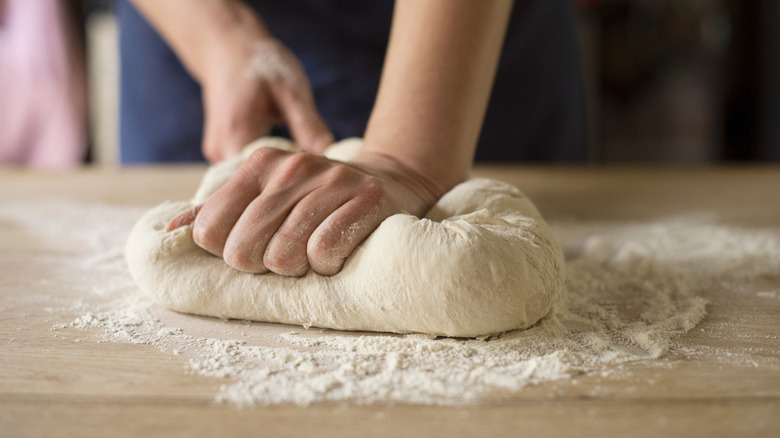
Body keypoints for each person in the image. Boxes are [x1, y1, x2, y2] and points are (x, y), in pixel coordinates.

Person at [120, 0, 585, 277]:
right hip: (192, 22)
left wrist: (409, 162)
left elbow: (414, 165)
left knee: (495, 264)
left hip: (464, 31)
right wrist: (220, 36)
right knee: (199, 238)